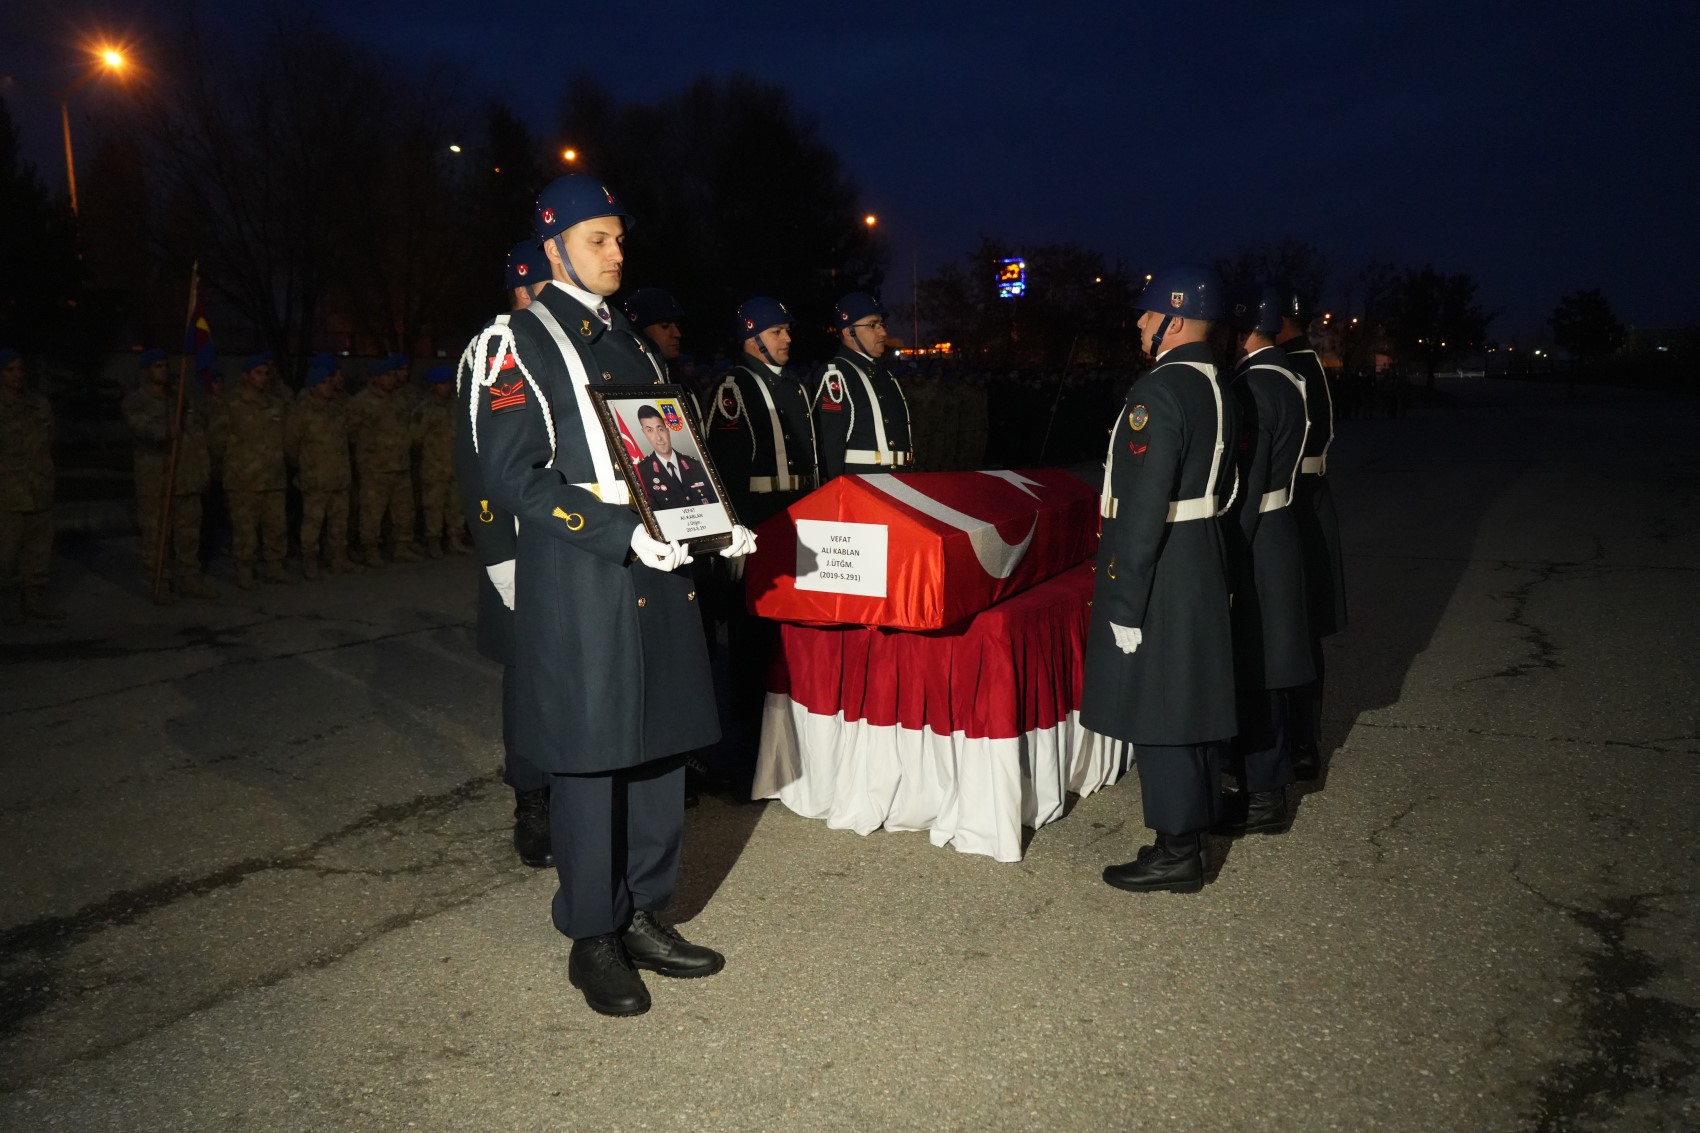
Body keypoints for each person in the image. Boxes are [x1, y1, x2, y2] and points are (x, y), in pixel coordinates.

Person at [470, 174, 756, 1017]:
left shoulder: (628, 337)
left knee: (662, 743)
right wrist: (615, 530)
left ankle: (644, 910)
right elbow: (515, 475)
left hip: (662, 562)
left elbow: (667, 442)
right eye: (600, 239)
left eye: (620, 238)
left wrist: (714, 521)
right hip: (587, 568)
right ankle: (593, 935)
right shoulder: (518, 340)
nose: (617, 252)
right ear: (555, 248)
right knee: (593, 758)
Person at [1080, 265, 1238, 894]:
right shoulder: (1215, 383)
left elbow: (1143, 507)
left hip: (1163, 560)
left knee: (1162, 709)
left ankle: (1177, 850)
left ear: (1174, 318)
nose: (1140, 324)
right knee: (1190, 694)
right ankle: (1194, 825)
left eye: (1148, 314)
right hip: (1199, 549)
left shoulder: (1160, 390)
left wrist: (1123, 597)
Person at [456, 238, 555, 868]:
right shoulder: (495, 350)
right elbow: (479, 466)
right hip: (521, 548)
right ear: (525, 288)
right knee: (527, 681)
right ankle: (532, 802)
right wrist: (502, 559)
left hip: (567, 541)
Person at [704, 296, 820, 792]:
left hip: (794, 522)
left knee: (787, 643)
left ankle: (784, 753)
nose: (788, 339)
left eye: (787, 331)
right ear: (753, 338)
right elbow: (725, 469)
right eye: (777, 333)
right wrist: (732, 538)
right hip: (757, 526)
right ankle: (743, 762)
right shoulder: (736, 386)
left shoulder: (789, 383)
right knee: (750, 652)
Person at [1217, 284, 1316, 835]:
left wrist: (1227, 554)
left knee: (1258, 670)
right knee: (1270, 665)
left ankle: (1263, 797)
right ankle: (1264, 787)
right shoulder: (1287, 374)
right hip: (1281, 528)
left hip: (1259, 538)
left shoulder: (1256, 385)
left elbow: (1247, 486)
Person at [1274, 285, 1348, 780]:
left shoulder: (1286, 368)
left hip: (1293, 502)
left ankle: (1299, 744)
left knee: (1291, 631)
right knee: (1300, 630)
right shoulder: (1306, 362)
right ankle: (1302, 741)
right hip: (1310, 495)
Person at [123, 348, 217, 601]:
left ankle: (189, 579)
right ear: (146, 371)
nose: (163, 370)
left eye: (165, 365)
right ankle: (159, 581)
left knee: (188, 533)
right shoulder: (137, 400)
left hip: (184, 478)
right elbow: (137, 426)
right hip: (155, 480)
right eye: (157, 366)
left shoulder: (179, 400)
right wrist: (165, 430)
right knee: (156, 534)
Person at [209, 353, 294, 590]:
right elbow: (216, 441)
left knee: (276, 526)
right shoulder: (231, 404)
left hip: (274, 477)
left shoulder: (275, 403)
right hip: (243, 480)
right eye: (258, 373)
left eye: (266, 373)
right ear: (246, 376)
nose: (263, 378)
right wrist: (236, 462)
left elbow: (287, 437)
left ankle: (275, 566)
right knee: (245, 529)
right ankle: (244, 569)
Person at [813, 292, 913, 479]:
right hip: (862, 486)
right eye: (872, 325)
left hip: (899, 483)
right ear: (848, 331)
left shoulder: (884, 374)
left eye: (882, 324)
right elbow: (831, 445)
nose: (883, 332)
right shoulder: (836, 374)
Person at [0, 348, 65, 624]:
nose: (18, 375)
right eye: (10, 370)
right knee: (6, 551)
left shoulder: (40, 405)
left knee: (38, 548)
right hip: (8, 491)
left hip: (39, 487)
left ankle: (33, 599)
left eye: (20, 369)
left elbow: (49, 439)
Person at [286, 354, 359, 578]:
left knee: (339, 522)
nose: (329, 386)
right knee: (313, 525)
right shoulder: (302, 412)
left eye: (330, 381)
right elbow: (290, 446)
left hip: (339, 476)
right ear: (314, 386)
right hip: (316, 478)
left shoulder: (338, 409)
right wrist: (306, 466)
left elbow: (349, 436)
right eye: (324, 382)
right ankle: (310, 562)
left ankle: (338, 559)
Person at [348, 355, 423, 566]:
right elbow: (351, 433)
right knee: (372, 512)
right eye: (388, 375)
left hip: (400, 464)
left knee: (403, 510)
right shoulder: (361, 402)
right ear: (376, 378)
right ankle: (370, 549)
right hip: (375, 468)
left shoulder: (399, 398)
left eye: (393, 375)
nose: (392, 379)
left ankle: (402, 547)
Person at [413, 365, 468, 558]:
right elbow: (416, 437)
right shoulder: (425, 409)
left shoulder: (457, 405)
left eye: (448, 383)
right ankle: (434, 542)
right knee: (434, 507)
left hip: (455, 465)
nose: (447, 387)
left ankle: (455, 539)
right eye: (442, 384)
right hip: (434, 468)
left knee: (456, 506)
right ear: (434, 386)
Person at [633, 404, 719, 509]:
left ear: (667, 430)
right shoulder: (643, 471)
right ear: (644, 433)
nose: (659, 438)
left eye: (660, 429)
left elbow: (716, 503)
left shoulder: (695, 465)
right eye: (650, 430)